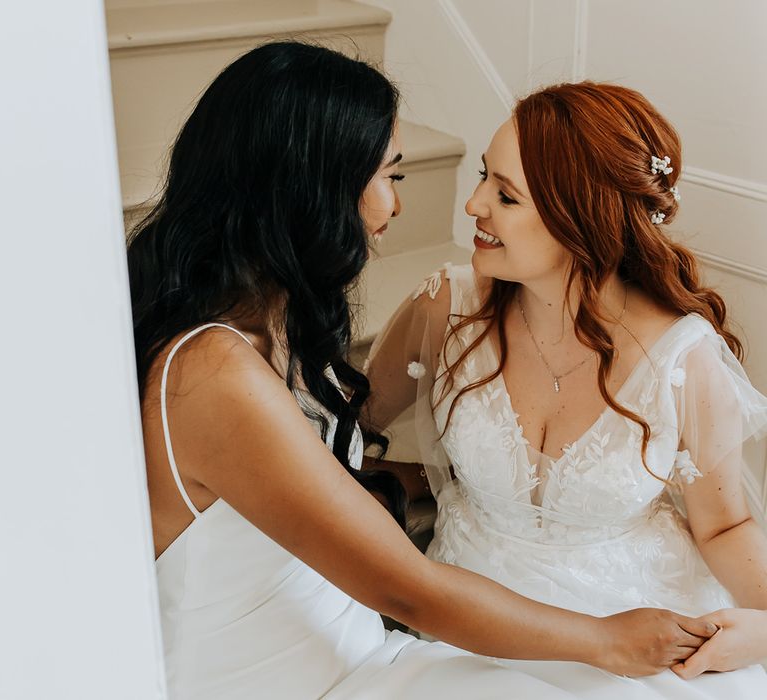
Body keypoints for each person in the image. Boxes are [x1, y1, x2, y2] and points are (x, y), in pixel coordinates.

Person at [126, 44, 714, 700]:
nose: (396, 207)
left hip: (352, 651)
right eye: (390, 177)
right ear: (312, 188)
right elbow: (406, 589)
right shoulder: (214, 373)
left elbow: (310, 480)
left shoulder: (272, 326)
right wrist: (606, 640)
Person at [364, 81, 767, 697]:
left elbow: (723, 526)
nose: (473, 205)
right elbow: (346, 431)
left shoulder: (681, 357)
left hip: (638, 630)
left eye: (505, 195)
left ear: (581, 218)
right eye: (482, 179)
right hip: (471, 624)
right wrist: (404, 482)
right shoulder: (446, 307)